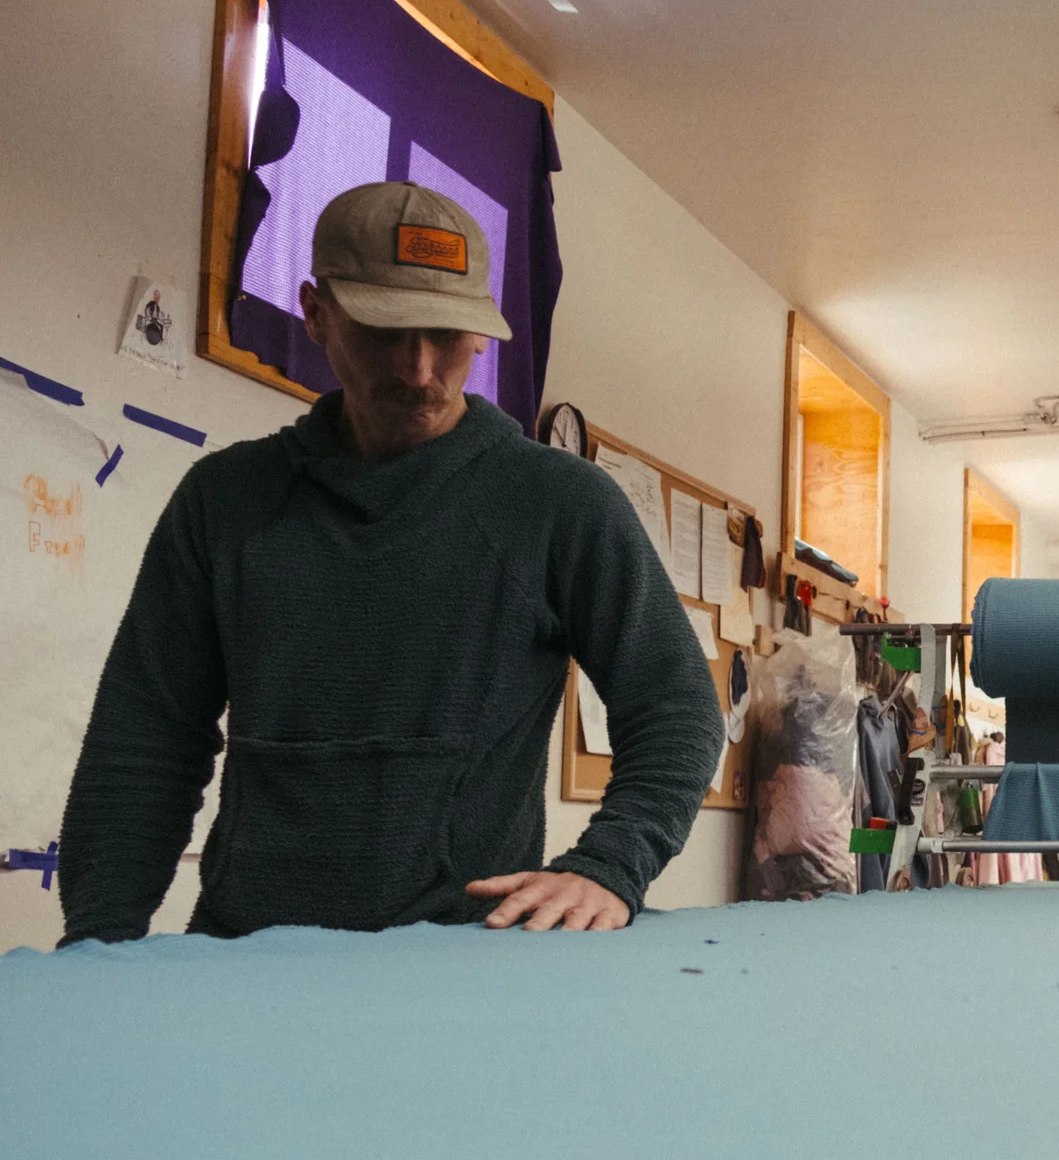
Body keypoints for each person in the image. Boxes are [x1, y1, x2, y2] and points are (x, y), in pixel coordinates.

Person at [58, 182, 721, 943]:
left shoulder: (559, 503)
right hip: (245, 959)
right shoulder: (225, 500)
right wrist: (98, 947)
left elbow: (676, 706)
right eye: (384, 330)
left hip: (468, 964)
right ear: (316, 312)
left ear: (482, 332)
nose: (418, 368)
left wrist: (609, 864)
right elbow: (145, 739)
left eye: (447, 333)